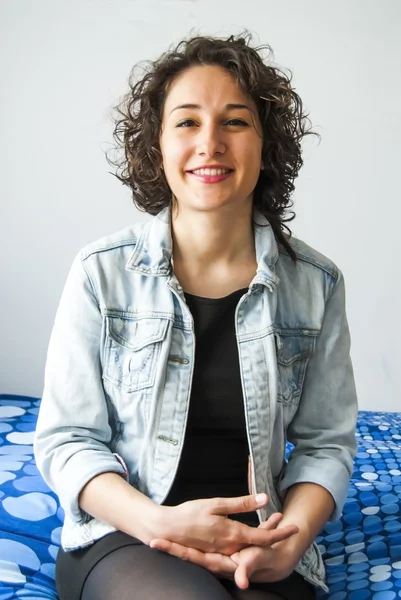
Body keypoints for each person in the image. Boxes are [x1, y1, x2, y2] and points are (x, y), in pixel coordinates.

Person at [34, 33, 358, 600]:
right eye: (186, 122)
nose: (211, 143)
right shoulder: (99, 274)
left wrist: (295, 536)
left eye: (235, 122)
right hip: (132, 534)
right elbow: (66, 440)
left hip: (262, 539)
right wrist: (155, 521)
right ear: (156, 144)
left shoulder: (316, 284)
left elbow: (326, 445)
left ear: (266, 143)